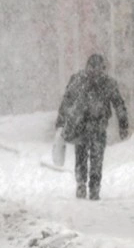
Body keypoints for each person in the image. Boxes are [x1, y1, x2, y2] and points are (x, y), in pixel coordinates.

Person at [55, 54, 128, 200]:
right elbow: (119, 105)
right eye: (94, 68)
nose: (95, 71)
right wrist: (123, 124)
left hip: (87, 125)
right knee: (93, 157)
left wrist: (60, 122)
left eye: (97, 68)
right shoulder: (102, 82)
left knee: (88, 157)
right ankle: (89, 187)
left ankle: (86, 185)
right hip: (90, 126)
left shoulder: (81, 80)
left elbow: (67, 101)